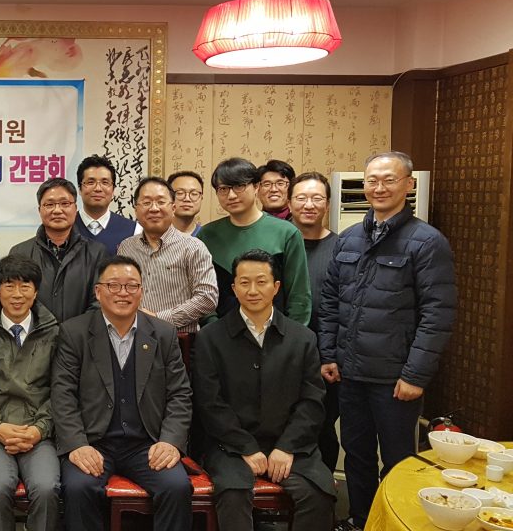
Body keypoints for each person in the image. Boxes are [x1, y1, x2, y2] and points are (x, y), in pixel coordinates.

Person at [320, 152, 456, 530]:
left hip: (396, 378)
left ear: (408, 185)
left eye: (389, 180)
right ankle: (361, 519)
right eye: (372, 180)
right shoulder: (349, 239)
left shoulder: (427, 242)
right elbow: (330, 301)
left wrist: (415, 375)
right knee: (356, 453)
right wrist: (328, 354)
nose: (379, 187)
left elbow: (438, 314)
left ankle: (394, 523)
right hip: (350, 373)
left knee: (398, 459)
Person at [193, 249, 335, 531]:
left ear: (276, 286)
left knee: (318, 494)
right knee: (233, 493)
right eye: (244, 282)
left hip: (291, 445)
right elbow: (210, 403)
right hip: (230, 447)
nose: (253, 290)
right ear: (233, 288)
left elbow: (312, 402)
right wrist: (246, 448)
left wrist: (286, 447)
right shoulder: (210, 337)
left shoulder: (302, 338)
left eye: (261, 282)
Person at [51, 256, 193, 531]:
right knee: (78, 488)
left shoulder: (163, 333)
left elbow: (180, 394)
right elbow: (63, 394)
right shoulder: (74, 332)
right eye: (114, 285)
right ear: (98, 291)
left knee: (176, 487)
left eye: (131, 286)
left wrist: (170, 441)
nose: (123, 293)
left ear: (141, 291)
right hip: (94, 442)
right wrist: (77, 444)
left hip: (146, 444)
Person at [0, 256, 61, 531]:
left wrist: (39, 429)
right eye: (9, 286)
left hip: (39, 433)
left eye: (25, 286)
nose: (17, 294)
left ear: (36, 291)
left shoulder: (56, 334)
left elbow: (62, 390)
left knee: (46, 488)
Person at [197, 157, 311, 325]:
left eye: (239, 186)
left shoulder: (286, 233)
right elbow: (201, 292)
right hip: (220, 333)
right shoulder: (206, 235)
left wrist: (292, 335)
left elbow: (299, 296)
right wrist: (213, 330)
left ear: (256, 186)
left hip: (276, 332)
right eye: (223, 189)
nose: (231, 195)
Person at [117, 177, 218, 335]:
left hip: (178, 339)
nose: (154, 208)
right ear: (136, 209)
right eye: (146, 202)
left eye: (161, 202)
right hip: (132, 336)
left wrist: (159, 319)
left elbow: (208, 297)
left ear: (173, 207)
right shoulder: (126, 247)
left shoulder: (193, 247)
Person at [289, 171, 341, 473]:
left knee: (322, 427)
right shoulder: (280, 245)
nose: (309, 205)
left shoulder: (342, 248)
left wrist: (329, 355)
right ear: (289, 203)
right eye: (301, 198)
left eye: (317, 198)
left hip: (326, 358)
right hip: (283, 356)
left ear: (328, 204)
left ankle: (324, 487)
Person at [10, 177, 106, 322]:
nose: (57, 210)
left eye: (64, 203)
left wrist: (74, 331)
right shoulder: (20, 253)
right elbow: (16, 301)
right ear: (40, 210)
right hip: (35, 335)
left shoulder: (97, 252)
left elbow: (99, 301)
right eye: (49, 204)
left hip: (81, 335)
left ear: (75, 208)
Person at [73, 155, 142, 255]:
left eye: (105, 182)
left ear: (113, 190)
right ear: (79, 189)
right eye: (90, 182)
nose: (98, 188)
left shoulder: (134, 231)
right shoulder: (65, 227)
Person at [167, 170, 205, 236]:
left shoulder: (207, 236)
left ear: (201, 198)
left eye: (194, 193)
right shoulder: (154, 234)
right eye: (180, 193)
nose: (187, 199)